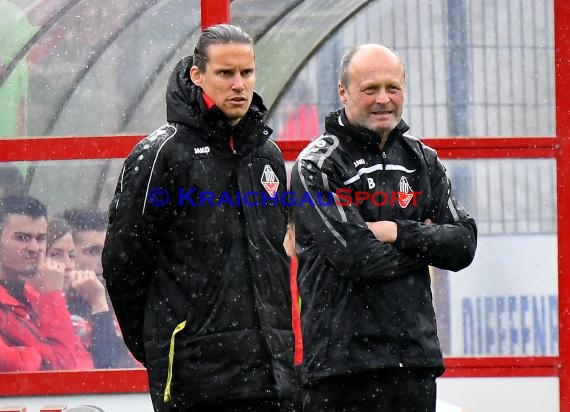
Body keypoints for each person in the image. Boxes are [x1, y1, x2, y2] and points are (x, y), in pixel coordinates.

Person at [102, 24, 296, 411]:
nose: (239, 84)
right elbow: (123, 263)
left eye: (247, 72)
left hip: (270, 376)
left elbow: (273, 260)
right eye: (226, 73)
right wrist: (163, 347)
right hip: (195, 379)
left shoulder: (267, 155)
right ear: (197, 74)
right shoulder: (162, 154)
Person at [290, 44, 478, 411]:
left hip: (414, 362)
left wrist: (396, 231)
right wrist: (426, 248)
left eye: (392, 88)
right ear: (343, 92)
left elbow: (464, 245)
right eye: (370, 89)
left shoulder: (422, 159)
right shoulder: (317, 165)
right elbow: (358, 258)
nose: (383, 100)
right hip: (341, 369)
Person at [0, 195, 93, 371]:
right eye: (22, 238)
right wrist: (42, 357)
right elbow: (12, 363)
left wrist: (36, 356)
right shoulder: (47, 295)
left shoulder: (35, 295)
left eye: (41, 238)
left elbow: (79, 366)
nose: (35, 248)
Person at [46, 217, 139, 369]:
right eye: (92, 251)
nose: (104, 260)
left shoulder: (122, 302)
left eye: (108, 250)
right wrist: (99, 305)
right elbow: (112, 370)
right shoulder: (52, 306)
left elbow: (132, 369)